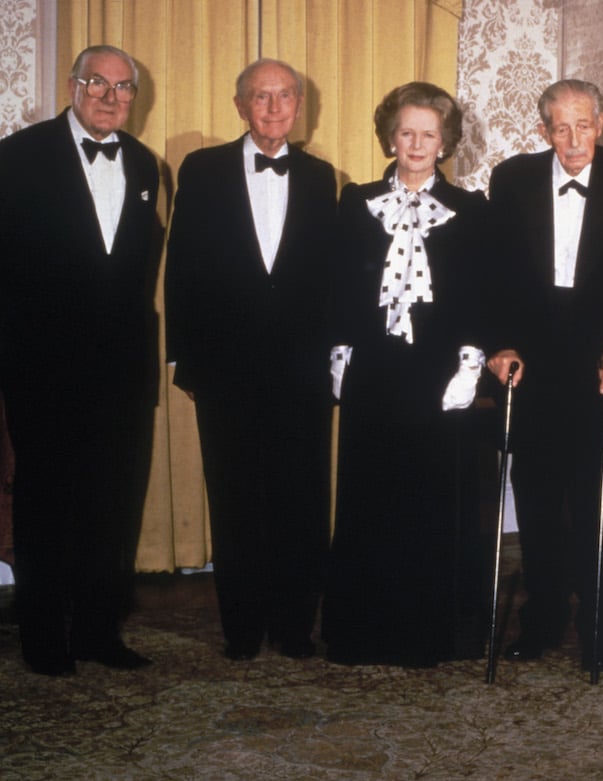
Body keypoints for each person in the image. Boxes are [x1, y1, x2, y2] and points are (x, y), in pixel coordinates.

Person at [486, 80, 603, 670]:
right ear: (544, 130)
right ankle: (541, 618)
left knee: (599, 501)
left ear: (602, 123)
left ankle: (596, 626)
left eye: (583, 125)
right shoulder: (511, 178)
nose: (572, 139)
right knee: (536, 499)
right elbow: (499, 273)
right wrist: (501, 342)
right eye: (559, 127)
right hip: (533, 363)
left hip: (602, 362)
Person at [164, 59, 336, 662]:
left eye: (284, 96)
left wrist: (333, 362)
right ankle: (240, 626)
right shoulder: (202, 170)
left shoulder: (321, 178)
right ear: (240, 106)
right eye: (259, 97)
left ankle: (294, 626)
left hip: (302, 373)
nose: (272, 107)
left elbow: (329, 283)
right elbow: (181, 264)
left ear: (299, 106)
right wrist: (183, 359)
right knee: (235, 499)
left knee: (299, 500)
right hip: (225, 371)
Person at [0, 45, 161, 675]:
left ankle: (100, 631)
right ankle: (43, 639)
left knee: (113, 502)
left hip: (121, 369)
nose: (110, 96)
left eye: (124, 88)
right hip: (42, 367)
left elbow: (137, 270)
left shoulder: (148, 165)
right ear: (73, 86)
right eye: (98, 82)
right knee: (46, 501)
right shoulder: (18, 156)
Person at [321, 82, 489, 667]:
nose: (417, 144)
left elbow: (477, 297)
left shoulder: (471, 209)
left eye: (429, 134)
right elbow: (340, 282)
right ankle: (362, 635)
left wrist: (471, 365)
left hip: (438, 371)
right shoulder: (356, 200)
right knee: (370, 497)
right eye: (406, 132)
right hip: (373, 366)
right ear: (390, 138)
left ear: (445, 143)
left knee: (430, 501)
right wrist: (339, 353)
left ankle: (427, 637)